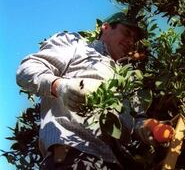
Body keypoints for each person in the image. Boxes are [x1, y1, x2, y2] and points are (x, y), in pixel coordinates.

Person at [16, 12, 170, 169]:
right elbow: (27, 69)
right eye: (127, 33)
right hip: (72, 156)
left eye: (134, 39)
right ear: (106, 27)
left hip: (115, 163)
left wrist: (148, 127)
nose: (131, 41)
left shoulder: (128, 78)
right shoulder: (77, 45)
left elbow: (136, 119)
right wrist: (59, 86)